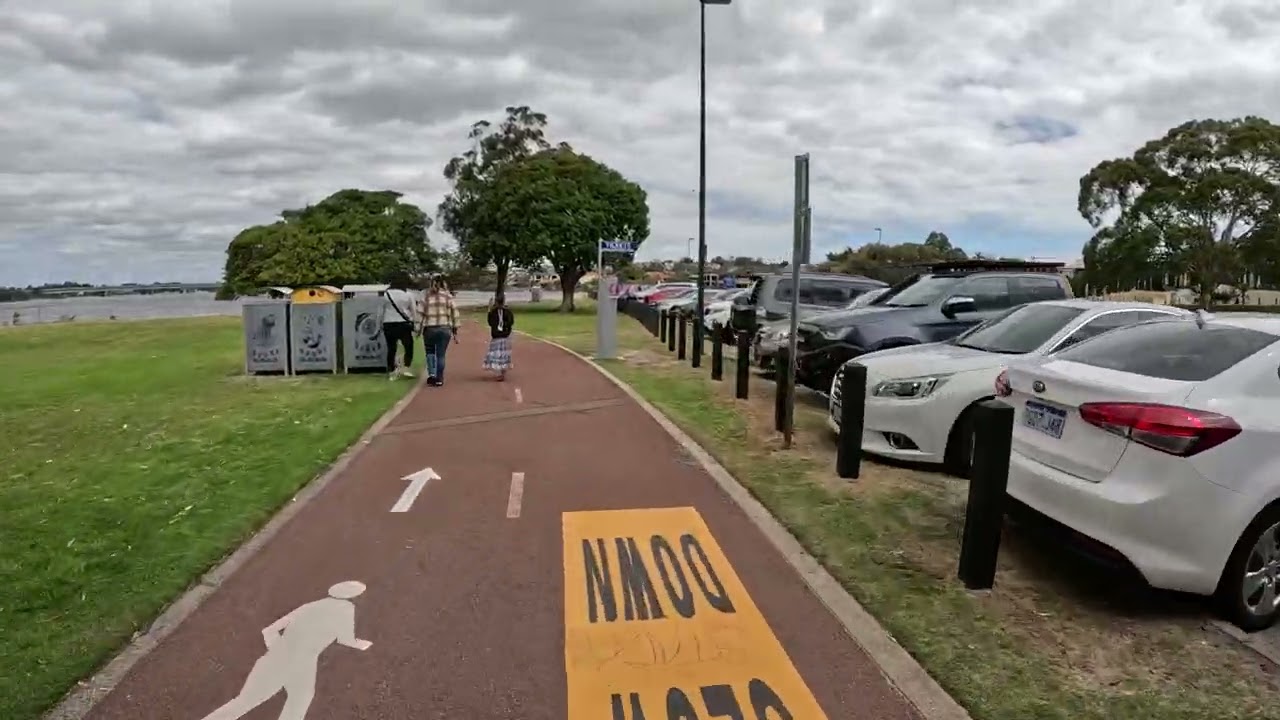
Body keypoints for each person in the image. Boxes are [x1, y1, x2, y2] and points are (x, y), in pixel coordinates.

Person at [417, 276, 459, 386]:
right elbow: (455, 313)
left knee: (430, 352)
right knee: (441, 354)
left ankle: (432, 375)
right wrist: (455, 328)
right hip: (444, 328)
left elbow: (420, 314)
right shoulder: (448, 296)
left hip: (429, 328)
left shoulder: (426, 297)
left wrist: (417, 329)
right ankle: (439, 378)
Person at [382, 274, 417, 379]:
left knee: (391, 348)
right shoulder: (408, 295)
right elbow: (413, 310)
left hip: (388, 322)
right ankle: (406, 367)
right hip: (403, 323)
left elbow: (381, 310)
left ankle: (392, 371)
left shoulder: (385, 294)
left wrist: (380, 323)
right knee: (408, 346)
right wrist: (415, 323)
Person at [483, 293, 515, 381]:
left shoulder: (493, 312)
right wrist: (505, 327)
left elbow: (490, 323)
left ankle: (499, 373)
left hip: (496, 336)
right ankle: (503, 372)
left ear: (496, 302)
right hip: (505, 336)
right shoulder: (508, 312)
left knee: (497, 355)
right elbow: (511, 322)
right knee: (504, 354)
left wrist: (489, 309)